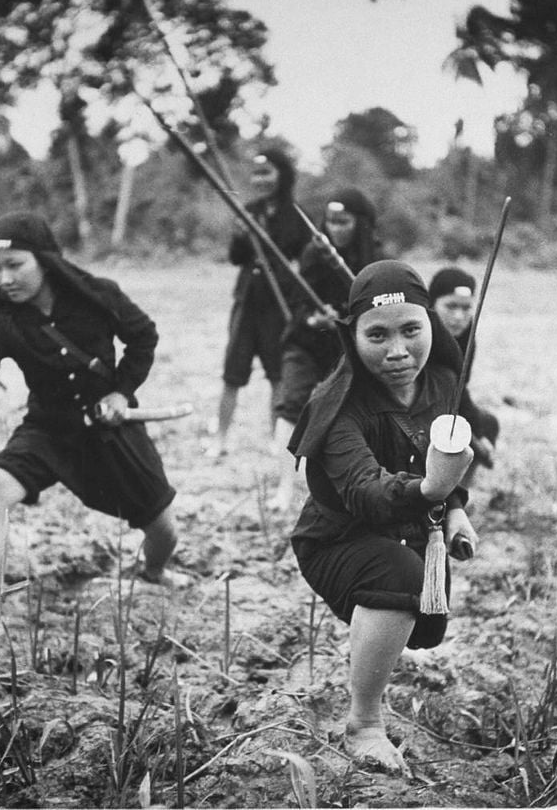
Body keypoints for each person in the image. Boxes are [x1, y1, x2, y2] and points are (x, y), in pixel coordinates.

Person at [0, 212, 182, 634]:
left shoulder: (97, 295)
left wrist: (121, 392)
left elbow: (143, 336)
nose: (4, 278)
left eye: (15, 265)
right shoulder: (3, 322)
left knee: (163, 531)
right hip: (49, 429)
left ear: (45, 260)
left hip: (111, 430)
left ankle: (153, 573)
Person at [288, 260, 478, 774]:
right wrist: (432, 489)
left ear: (431, 325)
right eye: (377, 335)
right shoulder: (338, 409)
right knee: (400, 581)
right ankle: (363, 723)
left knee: (427, 629)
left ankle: (375, 633)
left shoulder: (442, 382)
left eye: (411, 330)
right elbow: (366, 494)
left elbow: (441, 456)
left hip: (410, 534)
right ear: (353, 338)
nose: (397, 351)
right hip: (336, 540)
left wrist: (454, 508)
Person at [269, 189, 383, 511]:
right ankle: (284, 489)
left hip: (347, 348)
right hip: (306, 342)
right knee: (290, 406)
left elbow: (377, 310)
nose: (335, 228)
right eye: (331, 221)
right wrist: (313, 318)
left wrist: (345, 318)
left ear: (360, 223)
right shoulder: (313, 252)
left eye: (343, 222)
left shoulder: (376, 259)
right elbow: (296, 301)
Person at [209, 149, 310, 457]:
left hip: (278, 304)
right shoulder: (248, 211)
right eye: (256, 173)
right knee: (232, 373)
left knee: (278, 374)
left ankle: (276, 439)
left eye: (267, 172)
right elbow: (236, 257)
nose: (260, 179)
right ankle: (220, 439)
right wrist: (242, 236)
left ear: (282, 175)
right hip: (247, 301)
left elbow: (305, 261)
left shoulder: (296, 216)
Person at [429, 267, 500, 487]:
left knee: (488, 423)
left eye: (466, 308)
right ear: (432, 305)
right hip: (420, 407)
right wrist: (474, 436)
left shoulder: (466, 335)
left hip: (449, 402)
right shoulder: (421, 331)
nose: (459, 316)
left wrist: (479, 432)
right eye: (451, 306)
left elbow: (459, 386)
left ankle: (459, 491)